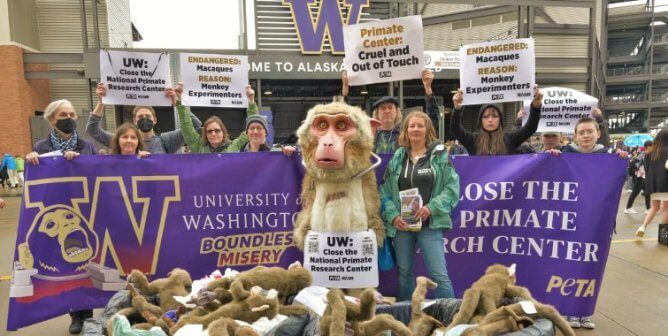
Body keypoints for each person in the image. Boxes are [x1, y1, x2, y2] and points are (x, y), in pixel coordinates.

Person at [545, 116, 627, 330]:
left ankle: (584, 312)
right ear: (575, 135)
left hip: (596, 222)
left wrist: (620, 159)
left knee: (590, 267)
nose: (585, 136)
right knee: (569, 265)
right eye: (581, 132)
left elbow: (618, 179)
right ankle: (570, 311)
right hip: (570, 221)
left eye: (589, 131)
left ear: (598, 133)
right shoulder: (566, 154)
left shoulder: (608, 156)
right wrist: (552, 157)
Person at [24, 99, 96, 334]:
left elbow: (97, 172)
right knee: (66, 264)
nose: (70, 118)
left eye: (73, 114)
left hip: (83, 210)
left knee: (88, 262)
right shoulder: (41, 148)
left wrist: (82, 162)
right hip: (57, 208)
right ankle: (76, 313)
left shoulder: (87, 146)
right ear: (52, 120)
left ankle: (89, 313)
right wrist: (32, 160)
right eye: (64, 114)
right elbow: (36, 180)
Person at [379, 111, 460, 301]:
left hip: (429, 224)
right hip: (402, 225)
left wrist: (431, 207)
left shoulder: (439, 154)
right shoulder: (399, 156)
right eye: (411, 126)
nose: (415, 129)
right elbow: (384, 190)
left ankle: (450, 319)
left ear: (427, 129)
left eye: (420, 125)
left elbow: (452, 188)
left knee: (439, 274)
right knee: (404, 272)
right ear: (406, 131)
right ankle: (406, 316)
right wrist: (392, 216)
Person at [87, 82, 202, 154]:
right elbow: (92, 130)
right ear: (135, 121)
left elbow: (195, 125)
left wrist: (177, 102)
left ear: (155, 120)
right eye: (140, 117)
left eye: (148, 116)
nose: (144, 118)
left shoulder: (167, 140)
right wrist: (101, 102)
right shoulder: (124, 140)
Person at [450, 86, 543, 155]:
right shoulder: (473, 140)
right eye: (486, 117)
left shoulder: (509, 138)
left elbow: (530, 128)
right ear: (480, 121)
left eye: (494, 116)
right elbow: (456, 130)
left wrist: (535, 106)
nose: (490, 120)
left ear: (500, 119)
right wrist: (457, 108)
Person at [168, 84, 256, 153]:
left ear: (223, 132)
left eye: (217, 130)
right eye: (209, 131)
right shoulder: (199, 147)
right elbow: (186, 127)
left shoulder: (234, 147)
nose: (213, 134)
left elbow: (251, 130)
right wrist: (181, 100)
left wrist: (251, 102)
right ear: (205, 134)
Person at [636, 131, 668, 237]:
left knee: (655, 207)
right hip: (666, 184)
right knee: (666, 209)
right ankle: (664, 235)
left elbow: (646, 169)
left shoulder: (649, 153)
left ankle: (642, 227)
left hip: (653, 185)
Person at [625, 140, 652, 214]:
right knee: (635, 192)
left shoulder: (650, 154)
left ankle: (648, 209)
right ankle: (628, 208)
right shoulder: (642, 154)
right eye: (652, 146)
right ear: (648, 147)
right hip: (639, 177)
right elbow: (632, 162)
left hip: (644, 177)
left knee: (647, 193)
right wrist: (639, 170)